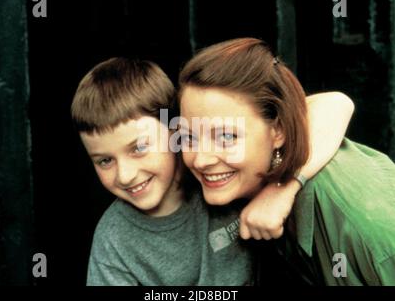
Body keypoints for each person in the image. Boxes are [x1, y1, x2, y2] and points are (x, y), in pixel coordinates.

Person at [71, 56, 353, 285]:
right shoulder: (115, 239)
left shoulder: (214, 177)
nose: (125, 175)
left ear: (175, 130)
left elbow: (336, 104)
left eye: (139, 148)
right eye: (104, 160)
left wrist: (282, 190)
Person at [178, 37, 395, 286]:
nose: (201, 159)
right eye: (189, 136)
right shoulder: (248, 182)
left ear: (278, 131)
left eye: (226, 136)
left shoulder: (370, 229)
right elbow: (329, 103)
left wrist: (285, 187)